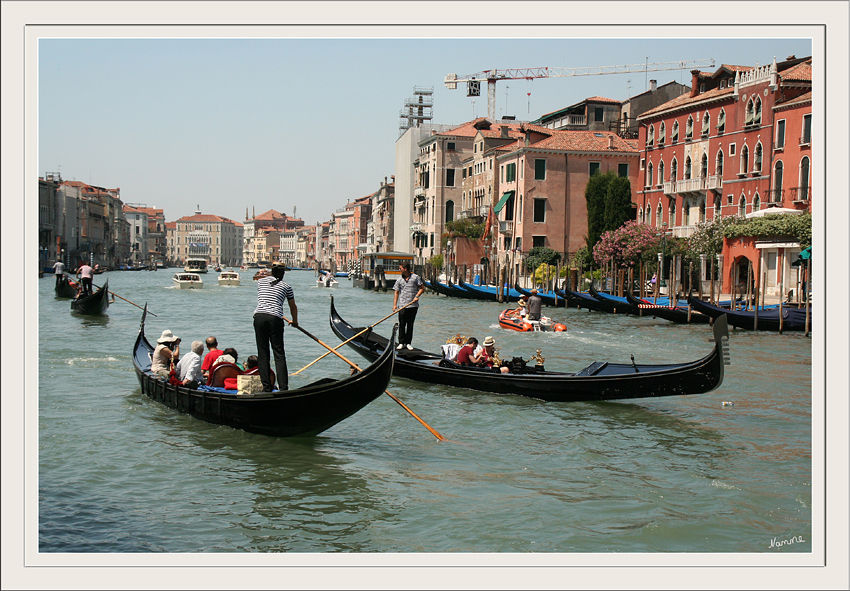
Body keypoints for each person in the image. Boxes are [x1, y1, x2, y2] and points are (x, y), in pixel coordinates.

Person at [253, 261, 298, 391]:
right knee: (279, 354)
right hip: (275, 318)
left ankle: (267, 387)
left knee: (263, 354)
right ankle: (283, 388)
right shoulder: (286, 286)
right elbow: (292, 306)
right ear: (283, 273)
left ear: (272, 271)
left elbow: (266, 297)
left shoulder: (261, 282)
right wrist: (295, 321)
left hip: (259, 317)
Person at [392, 261, 425, 350]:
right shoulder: (399, 280)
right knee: (402, 324)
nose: (399, 270)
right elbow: (396, 292)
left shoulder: (415, 278)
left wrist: (417, 296)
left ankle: (408, 343)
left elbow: (422, 288)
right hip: (402, 306)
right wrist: (395, 305)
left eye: (400, 268)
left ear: (405, 269)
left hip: (413, 305)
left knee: (410, 324)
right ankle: (401, 343)